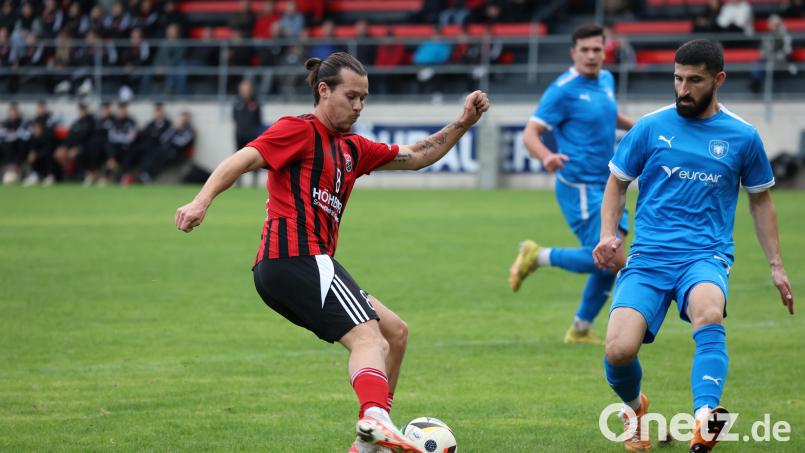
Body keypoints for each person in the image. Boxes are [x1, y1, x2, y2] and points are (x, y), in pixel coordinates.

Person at [175, 52, 489, 453]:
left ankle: (370, 442)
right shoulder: (297, 130)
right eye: (351, 96)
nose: (358, 106)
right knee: (370, 340)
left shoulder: (353, 149)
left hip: (301, 264)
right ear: (324, 91)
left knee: (395, 332)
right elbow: (242, 159)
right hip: (295, 258)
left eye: (364, 99)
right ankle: (374, 419)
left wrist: (463, 123)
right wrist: (201, 201)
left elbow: (418, 155)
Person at [593, 39, 794, 453]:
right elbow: (617, 180)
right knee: (618, 350)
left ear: (718, 80)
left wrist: (776, 264)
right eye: (678, 78)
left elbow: (760, 198)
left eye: (695, 80)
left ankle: (705, 419)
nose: (683, 88)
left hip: (705, 255)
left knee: (708, 310)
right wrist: (608, 235)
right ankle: (636, 409)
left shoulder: (742, 136)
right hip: (648, 258)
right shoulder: (650, 127)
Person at [508, 24, 634, 345]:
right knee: (614, 259)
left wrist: (643, 128)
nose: (592, 55)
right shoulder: (562, 90)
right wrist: (546, 156)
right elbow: (530, 133)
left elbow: (610, 115)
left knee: (610, 259)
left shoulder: (606, 80)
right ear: (573, 52)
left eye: (597, 49)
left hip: (608, 184)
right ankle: (538, 256)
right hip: (579, 187)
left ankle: (580, 329)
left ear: (605, 51)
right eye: (585, 50)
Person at [232, 78, 263, 187]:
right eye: (243, 88)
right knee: (238, 159)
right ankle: (239, 182)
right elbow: (234, 118)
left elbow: (259, 120)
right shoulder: (237, 103)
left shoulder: (255, 103)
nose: (244, 90)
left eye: (247, 88)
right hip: (239, 135)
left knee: (254, 159)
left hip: (251, 135)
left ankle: (254, 183)